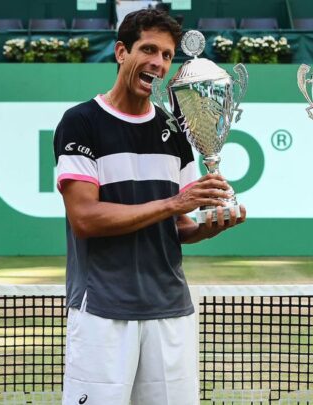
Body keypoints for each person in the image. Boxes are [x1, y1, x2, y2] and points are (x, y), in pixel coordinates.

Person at [54, 9, 245, 405]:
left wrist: (212, 225)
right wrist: (175, 202)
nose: (158, 63)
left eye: (167, 55)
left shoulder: (175, 130)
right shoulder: (80, 122)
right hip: (103, 312)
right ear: (122, 52)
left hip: (170, 311)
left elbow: (180, 227)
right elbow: (84, 218)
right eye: (148, 50)